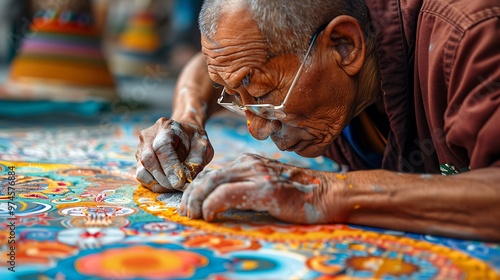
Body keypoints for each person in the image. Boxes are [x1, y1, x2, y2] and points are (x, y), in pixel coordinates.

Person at [135, 0, 500, 241]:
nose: (256, 129)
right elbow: (216, 65)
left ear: (345, 46)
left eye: (263, 97)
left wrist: (324, 192)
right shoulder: (297, 37)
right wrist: (188, 117)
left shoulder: (469, 35)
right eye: (235, 96)